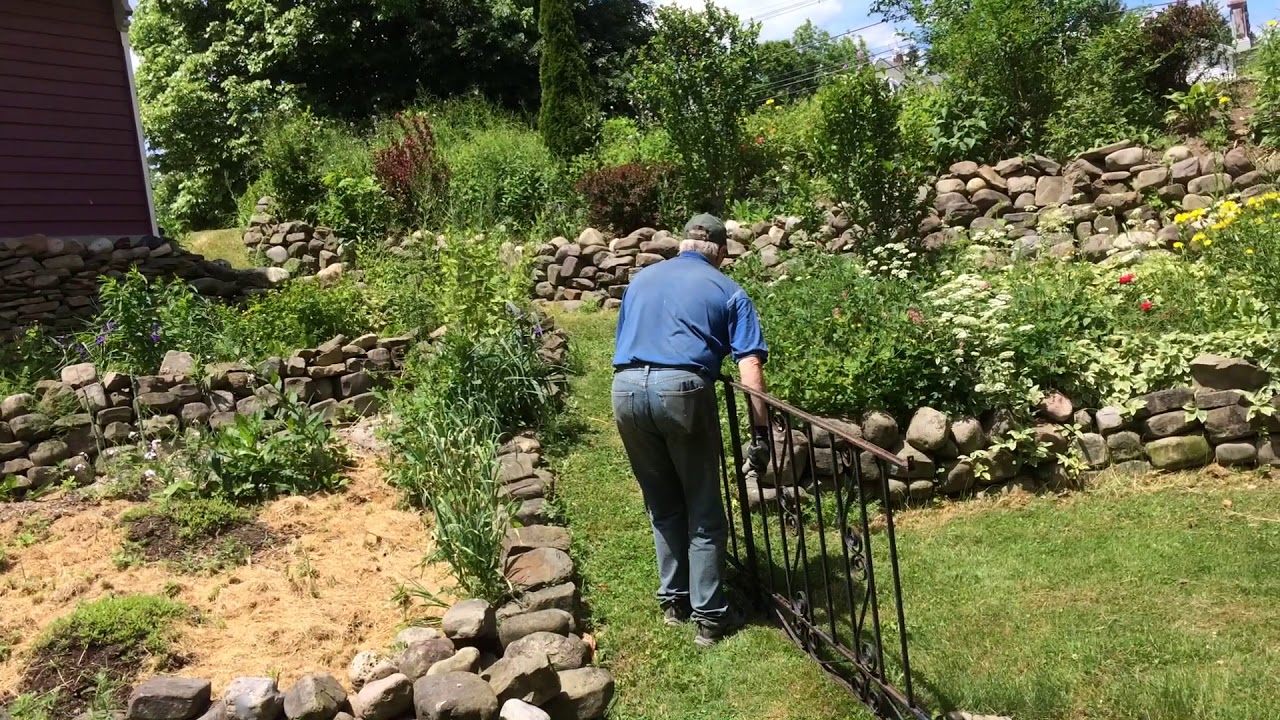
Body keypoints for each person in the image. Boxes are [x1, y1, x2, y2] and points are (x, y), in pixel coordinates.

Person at [611, 213, 771, 647]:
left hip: (625, 388)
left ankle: (673, 602)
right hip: (681, 389)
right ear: (720, 251)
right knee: (703, 505)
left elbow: (625, 342)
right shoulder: (728, 289)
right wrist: (761, 431)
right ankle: (711, 617)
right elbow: (749, 365)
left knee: (662, 502)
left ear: (683, 245)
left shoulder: (642, 281)